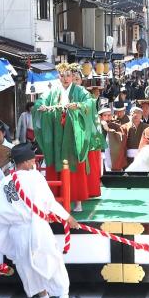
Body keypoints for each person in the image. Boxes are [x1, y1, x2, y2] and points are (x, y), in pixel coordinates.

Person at [0, 143, 81, 298]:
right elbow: (50, 202)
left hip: (17, 232)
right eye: (32, 160)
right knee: (54, 265)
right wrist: (67, 217)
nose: (34, 164)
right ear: (28, 161)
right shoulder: (35, 177)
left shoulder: (5, 182)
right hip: (37, 229)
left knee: (29, 270)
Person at [32, 62, 96, 210]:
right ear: (58, 77)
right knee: (56, 163)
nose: (66, 78)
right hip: (57, 133)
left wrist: (79, 106)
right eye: (63, 76)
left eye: (69, 75)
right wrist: (40, 106)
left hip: (73, 133)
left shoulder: (79, 90)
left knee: (74, 164)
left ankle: (77, 200)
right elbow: (40, 101)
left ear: (73, 76)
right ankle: (56, 199)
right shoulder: (53, 92)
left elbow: (90, 103)